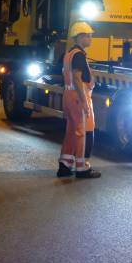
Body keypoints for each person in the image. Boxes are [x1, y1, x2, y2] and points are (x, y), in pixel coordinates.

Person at [57, 21, 101, 178]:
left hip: (69, 97)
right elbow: (77, 79)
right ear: (80, 37)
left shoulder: (69, 54)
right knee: (81, 133)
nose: (91, 39)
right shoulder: (79, 55)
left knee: (70, 132)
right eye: (88, 36)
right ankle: (82, 168)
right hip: (78, 97)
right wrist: (84, 101)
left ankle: (65, 165)